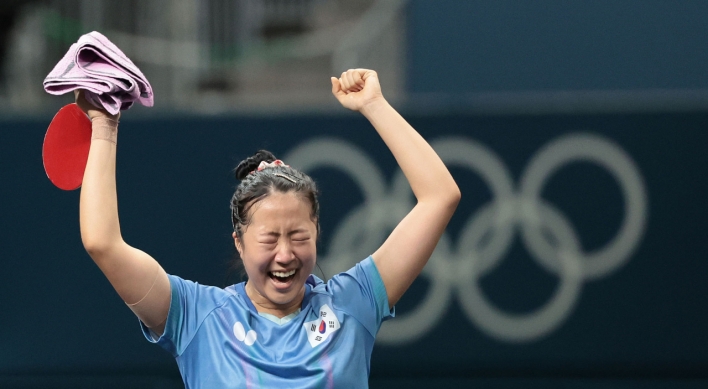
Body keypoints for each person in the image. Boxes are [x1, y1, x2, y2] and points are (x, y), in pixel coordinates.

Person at [78, 68, 460, 388]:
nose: (285, 254)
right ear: (239, 243)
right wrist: (104, 126)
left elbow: (440, 196)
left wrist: (374, 105)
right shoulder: (196, 317)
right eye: (269, 239)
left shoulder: (353, 304)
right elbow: (102, 244)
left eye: (298, 237)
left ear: (316, 234)